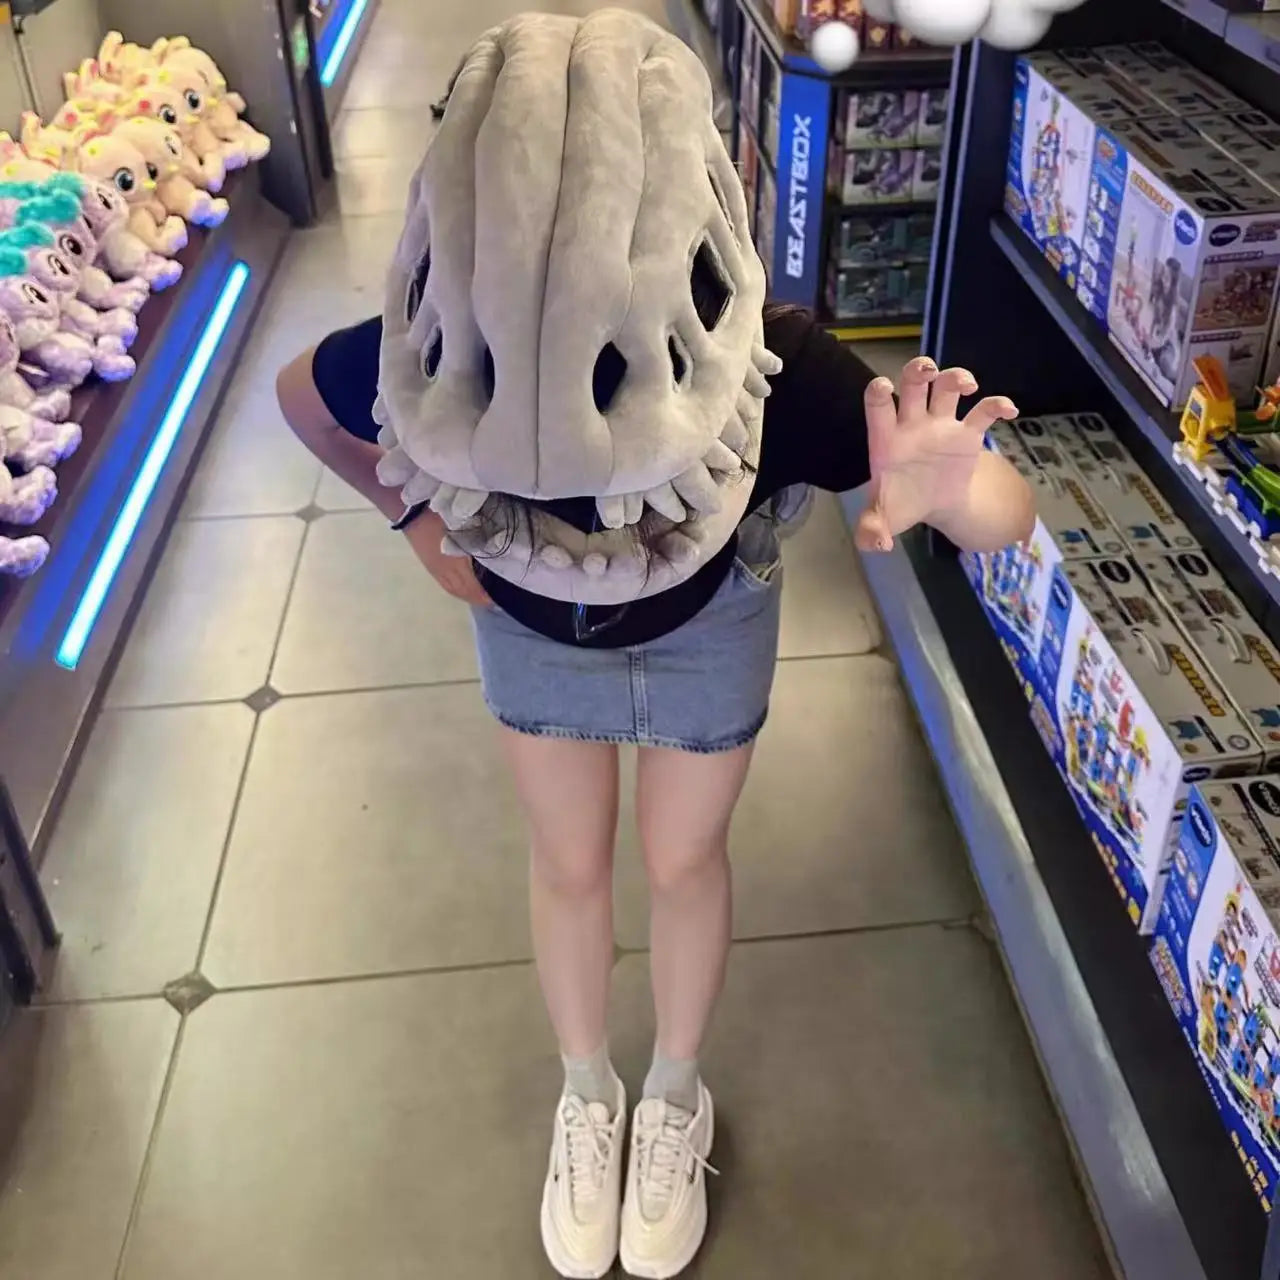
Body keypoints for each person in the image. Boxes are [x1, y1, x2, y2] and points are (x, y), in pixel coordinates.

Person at [276, 11, 1034, 1278]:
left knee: (683, 861)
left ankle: (673, 1092)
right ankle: (589, 1089)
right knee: (568, 861)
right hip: (529, 638)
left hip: (708, 631)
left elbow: (1005, 515)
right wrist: (409, 513)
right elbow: (306, 395)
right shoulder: (439, 346)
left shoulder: (773, 363)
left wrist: (955, 485)